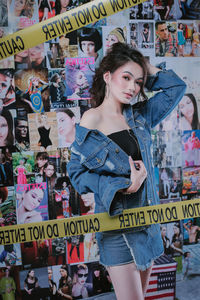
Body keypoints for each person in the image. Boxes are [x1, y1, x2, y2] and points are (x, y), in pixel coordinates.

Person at [67, 42, 186, 300]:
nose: (133, 87)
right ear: (107, 77)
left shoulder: (140, 116)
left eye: (139, 82)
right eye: (126, 77)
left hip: (148, 228)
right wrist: (121, 186)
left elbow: (177, 87)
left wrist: (146, 66)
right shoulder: (92, 119)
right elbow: (75, 172)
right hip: (117, 229)